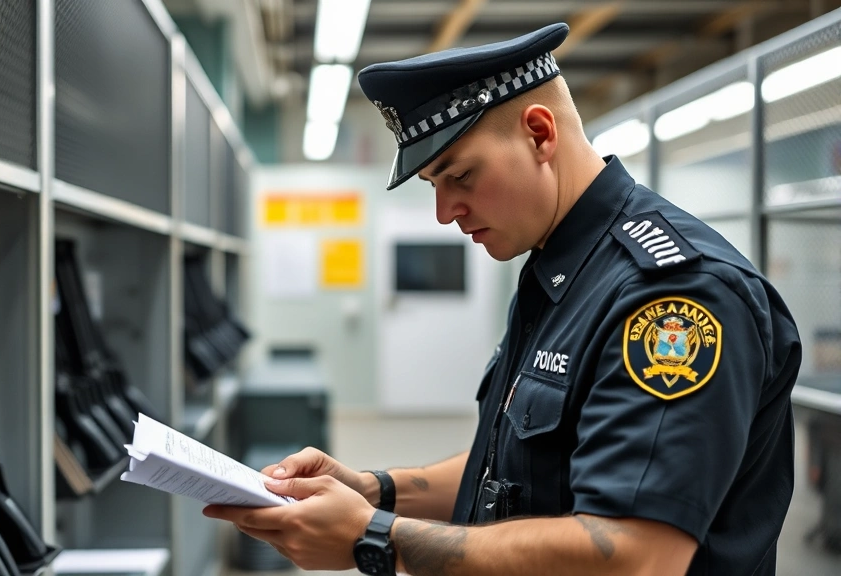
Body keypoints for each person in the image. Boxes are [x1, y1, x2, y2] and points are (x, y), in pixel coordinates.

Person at [204, 22, 802, 576]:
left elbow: (636, 555)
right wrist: (375, 489)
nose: (445, 212)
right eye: (434, 186)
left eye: (460, 176)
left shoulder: (671, 294)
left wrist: (376, 536)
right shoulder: (559, 270)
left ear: (540, 134)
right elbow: (514, 464)